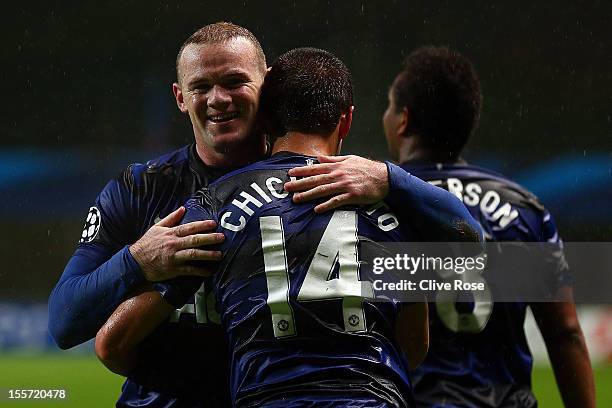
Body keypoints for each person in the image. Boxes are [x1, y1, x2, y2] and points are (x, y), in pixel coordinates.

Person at [50, 22, 481, 407]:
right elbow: (65, 321)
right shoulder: (141, 188)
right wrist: (136, 261)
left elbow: (468, 251)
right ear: (181, 98)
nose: (218, 99)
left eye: (235, 82)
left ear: (268, 85)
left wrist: (389, 177)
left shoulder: (340, 184)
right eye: (201, 87)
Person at [381, 46, 595, 407]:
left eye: (389, 105)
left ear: (403, 120)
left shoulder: (377, 204)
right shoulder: (525, 211)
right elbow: (565, 332)